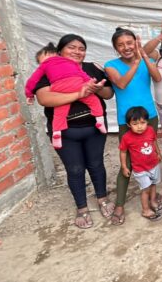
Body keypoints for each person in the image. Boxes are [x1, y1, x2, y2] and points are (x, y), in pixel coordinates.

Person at [33, 34, 115, 229]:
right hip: (65, 131)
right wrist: (78, 94)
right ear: (60, 51)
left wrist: (95, 89)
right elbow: (44, 99)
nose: (78, 51)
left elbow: (109, 93)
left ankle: (102, 198)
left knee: (96, 164)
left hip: (94, 128)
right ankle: (82, 208)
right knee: (75, 169)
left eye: (81, 48)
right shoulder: (49, 69)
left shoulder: (91, 68)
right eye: (72, 47)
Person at [104, 27, 162, 225]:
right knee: (127, 163)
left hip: (150, 117)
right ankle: (120, 204)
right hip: (127, 122)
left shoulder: (146, 60)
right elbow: (121, 84)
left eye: (130, 43)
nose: (126, 47)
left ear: (135, 43)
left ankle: (151, 195)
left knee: (150, 156)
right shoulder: (110, 65)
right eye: (120, 45)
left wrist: (143, 56)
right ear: (115, 48)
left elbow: (157, 78)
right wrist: (137, 62)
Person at [25, 42, 106, 148]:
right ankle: (100, 120)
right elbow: (81, 73)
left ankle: (57, 132)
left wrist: (29, 94)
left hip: (58, 87)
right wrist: (90, 82)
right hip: (77, 84)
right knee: (94, 100)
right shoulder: (69, 62)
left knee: (60, 110)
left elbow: (32, 80)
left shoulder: (43, 67)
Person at [119, 106, 162, 221]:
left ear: (147, 122)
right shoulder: (126, 137)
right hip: (140, 169)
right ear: (128, 125)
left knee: (153, 184)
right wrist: (124, 166)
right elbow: (123, 152)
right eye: (135, 124)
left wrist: (158, 153)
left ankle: (153, 201)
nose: (139, 126)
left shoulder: (150, 130)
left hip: (154, 164)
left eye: (142, 123)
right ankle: (145, 209)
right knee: (146, 189)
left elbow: (153, 142)